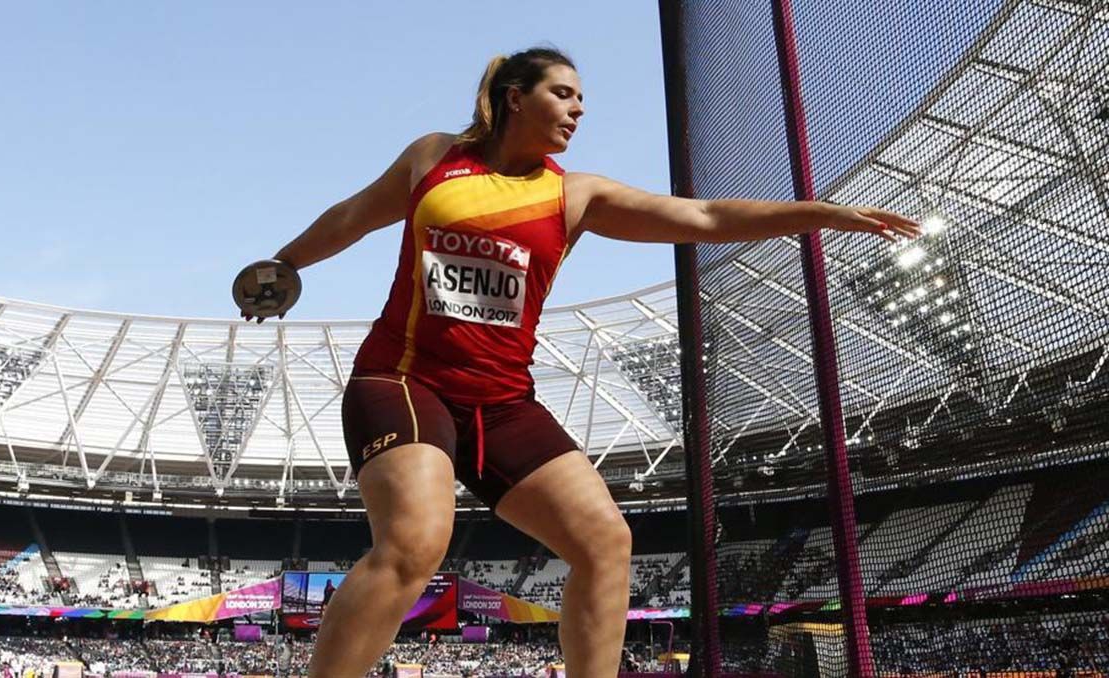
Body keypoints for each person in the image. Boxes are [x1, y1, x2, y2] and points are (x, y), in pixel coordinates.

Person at [241, 47, 920, 678]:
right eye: (563, 94)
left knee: (605, 542)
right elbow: (356, 214)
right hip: (405, 380)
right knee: (415, 543)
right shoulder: (435, 157)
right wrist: (285, 264)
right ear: (515, 97)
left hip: (502, 403)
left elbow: (707, 216)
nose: (579, 109)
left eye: (581, 99)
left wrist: (818, 214)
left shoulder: (576, 195)